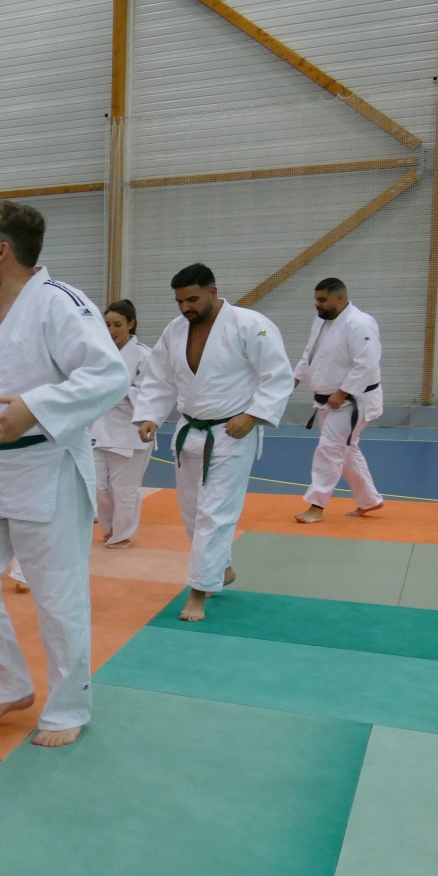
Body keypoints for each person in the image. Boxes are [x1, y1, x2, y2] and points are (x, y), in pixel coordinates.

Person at [0, 200, 128, 747]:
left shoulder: (60, 303)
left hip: (46, 466)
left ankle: (68, 708)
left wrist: (35, 409)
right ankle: (3, 685)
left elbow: (108, 376)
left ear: (2, 250)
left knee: (58, 595)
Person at [134, 263, 292, 622]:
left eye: (192, 299)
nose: (185, 307)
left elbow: (277, 374)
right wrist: (149, 415)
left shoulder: (251, 325)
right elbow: (159, 377)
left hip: (232, 432)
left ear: (213, 291)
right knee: (191, 513)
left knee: (214, 515)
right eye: (179, 301)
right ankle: (221, 569)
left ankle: (198, 593)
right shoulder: (175, 331)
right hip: (190, 431)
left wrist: (253, 415)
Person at [293, 278, 385, 524]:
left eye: (322, 300)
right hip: (329, 400)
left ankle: (316, 506)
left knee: (330, 449)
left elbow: (366, 364)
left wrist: (343, 392)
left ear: (340, 298)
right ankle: (369, 500)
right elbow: (309, 354)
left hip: (355, 400)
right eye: (316, 299)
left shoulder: (359, 323)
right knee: (347, 450)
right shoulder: (322, 321)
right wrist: (294, 379)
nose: (317, 304)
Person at [91, 300, 156, 548]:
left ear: (131, 324)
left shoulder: (144, 355)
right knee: (98, 487)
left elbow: (151, 393)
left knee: (124, 488)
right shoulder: (100, 353)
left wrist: (116, 391)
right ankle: (109, 528)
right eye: (107, 325)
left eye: (117, 324)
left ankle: (122, 534)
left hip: (132, 430)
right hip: (99, 428)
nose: (111, 330)